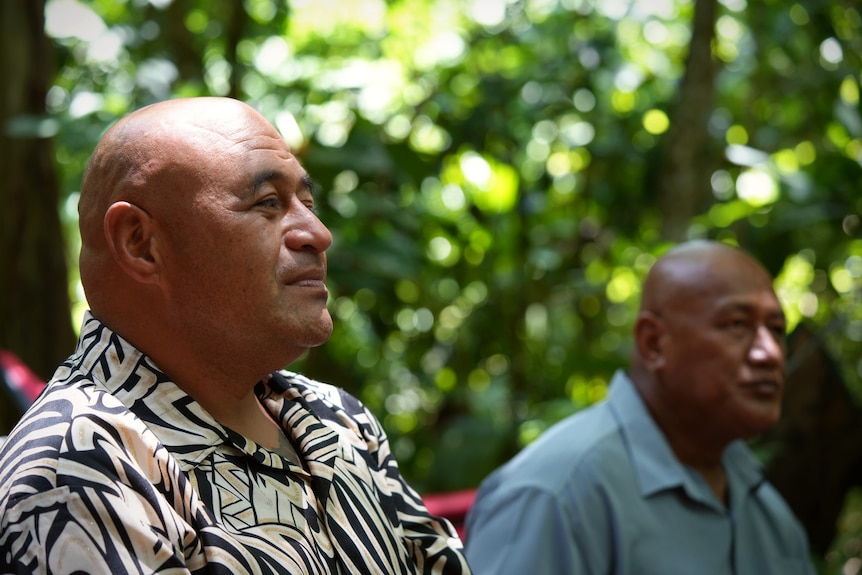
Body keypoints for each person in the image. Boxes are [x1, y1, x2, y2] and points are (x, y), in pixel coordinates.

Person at [0, 97, 471, 574]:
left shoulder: (339, 420)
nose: (318, 234)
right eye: (268, 204)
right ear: (140, 244)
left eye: (307, 204)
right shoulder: (77, 466)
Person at [464, 240, 817, 574]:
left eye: (776, 329)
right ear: (653, 344)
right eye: (737, 325)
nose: (770, 353)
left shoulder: (766, 513)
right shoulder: (556, 498)